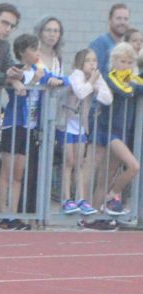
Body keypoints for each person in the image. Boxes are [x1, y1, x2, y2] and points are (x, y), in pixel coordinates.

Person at [0, 34, 67, 230]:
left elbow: (64, 80)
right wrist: (31, 80)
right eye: (33, 49)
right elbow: (17, 90)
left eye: (38, 49)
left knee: (19, 172)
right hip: (14, 125)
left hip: (30, 126)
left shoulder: (39, 71)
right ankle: (3, 214)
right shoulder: (17, 71)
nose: (37, 53)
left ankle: (14, 214)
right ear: (22, 52)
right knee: (7, 171)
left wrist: (55, 80)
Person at [57, 49, 112, 215]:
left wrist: (96, 87)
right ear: (80, 62)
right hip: (66, 123)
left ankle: (81, 198)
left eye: (94, 60)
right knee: (69, 161)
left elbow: (108, 98)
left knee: (80, 162)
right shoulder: (77, 74)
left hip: (81, 125)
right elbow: (80, 92)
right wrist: (91, 84)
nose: (92, 64)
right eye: (88, 60)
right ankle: (66, 198)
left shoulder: (96, 77)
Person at [91, 42, 142, 215]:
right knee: (133, 166)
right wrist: (134, 86)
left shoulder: (132, 77)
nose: (126, 66)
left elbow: (138, 84)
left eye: (129, 62)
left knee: (107, 176)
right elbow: (125, 91)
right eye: (122, 61)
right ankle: (111, 198)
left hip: (122, 132)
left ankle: (95, 215)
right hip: (109, 130)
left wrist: (134, 83)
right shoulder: (109, 77)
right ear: (114, 61)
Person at [90, 3, 130, 74]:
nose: (123, 22)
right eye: (118, 18)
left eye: (126, 19)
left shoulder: (127, 46)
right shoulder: (99, 44)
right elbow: (91, 74)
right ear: (110, 20)